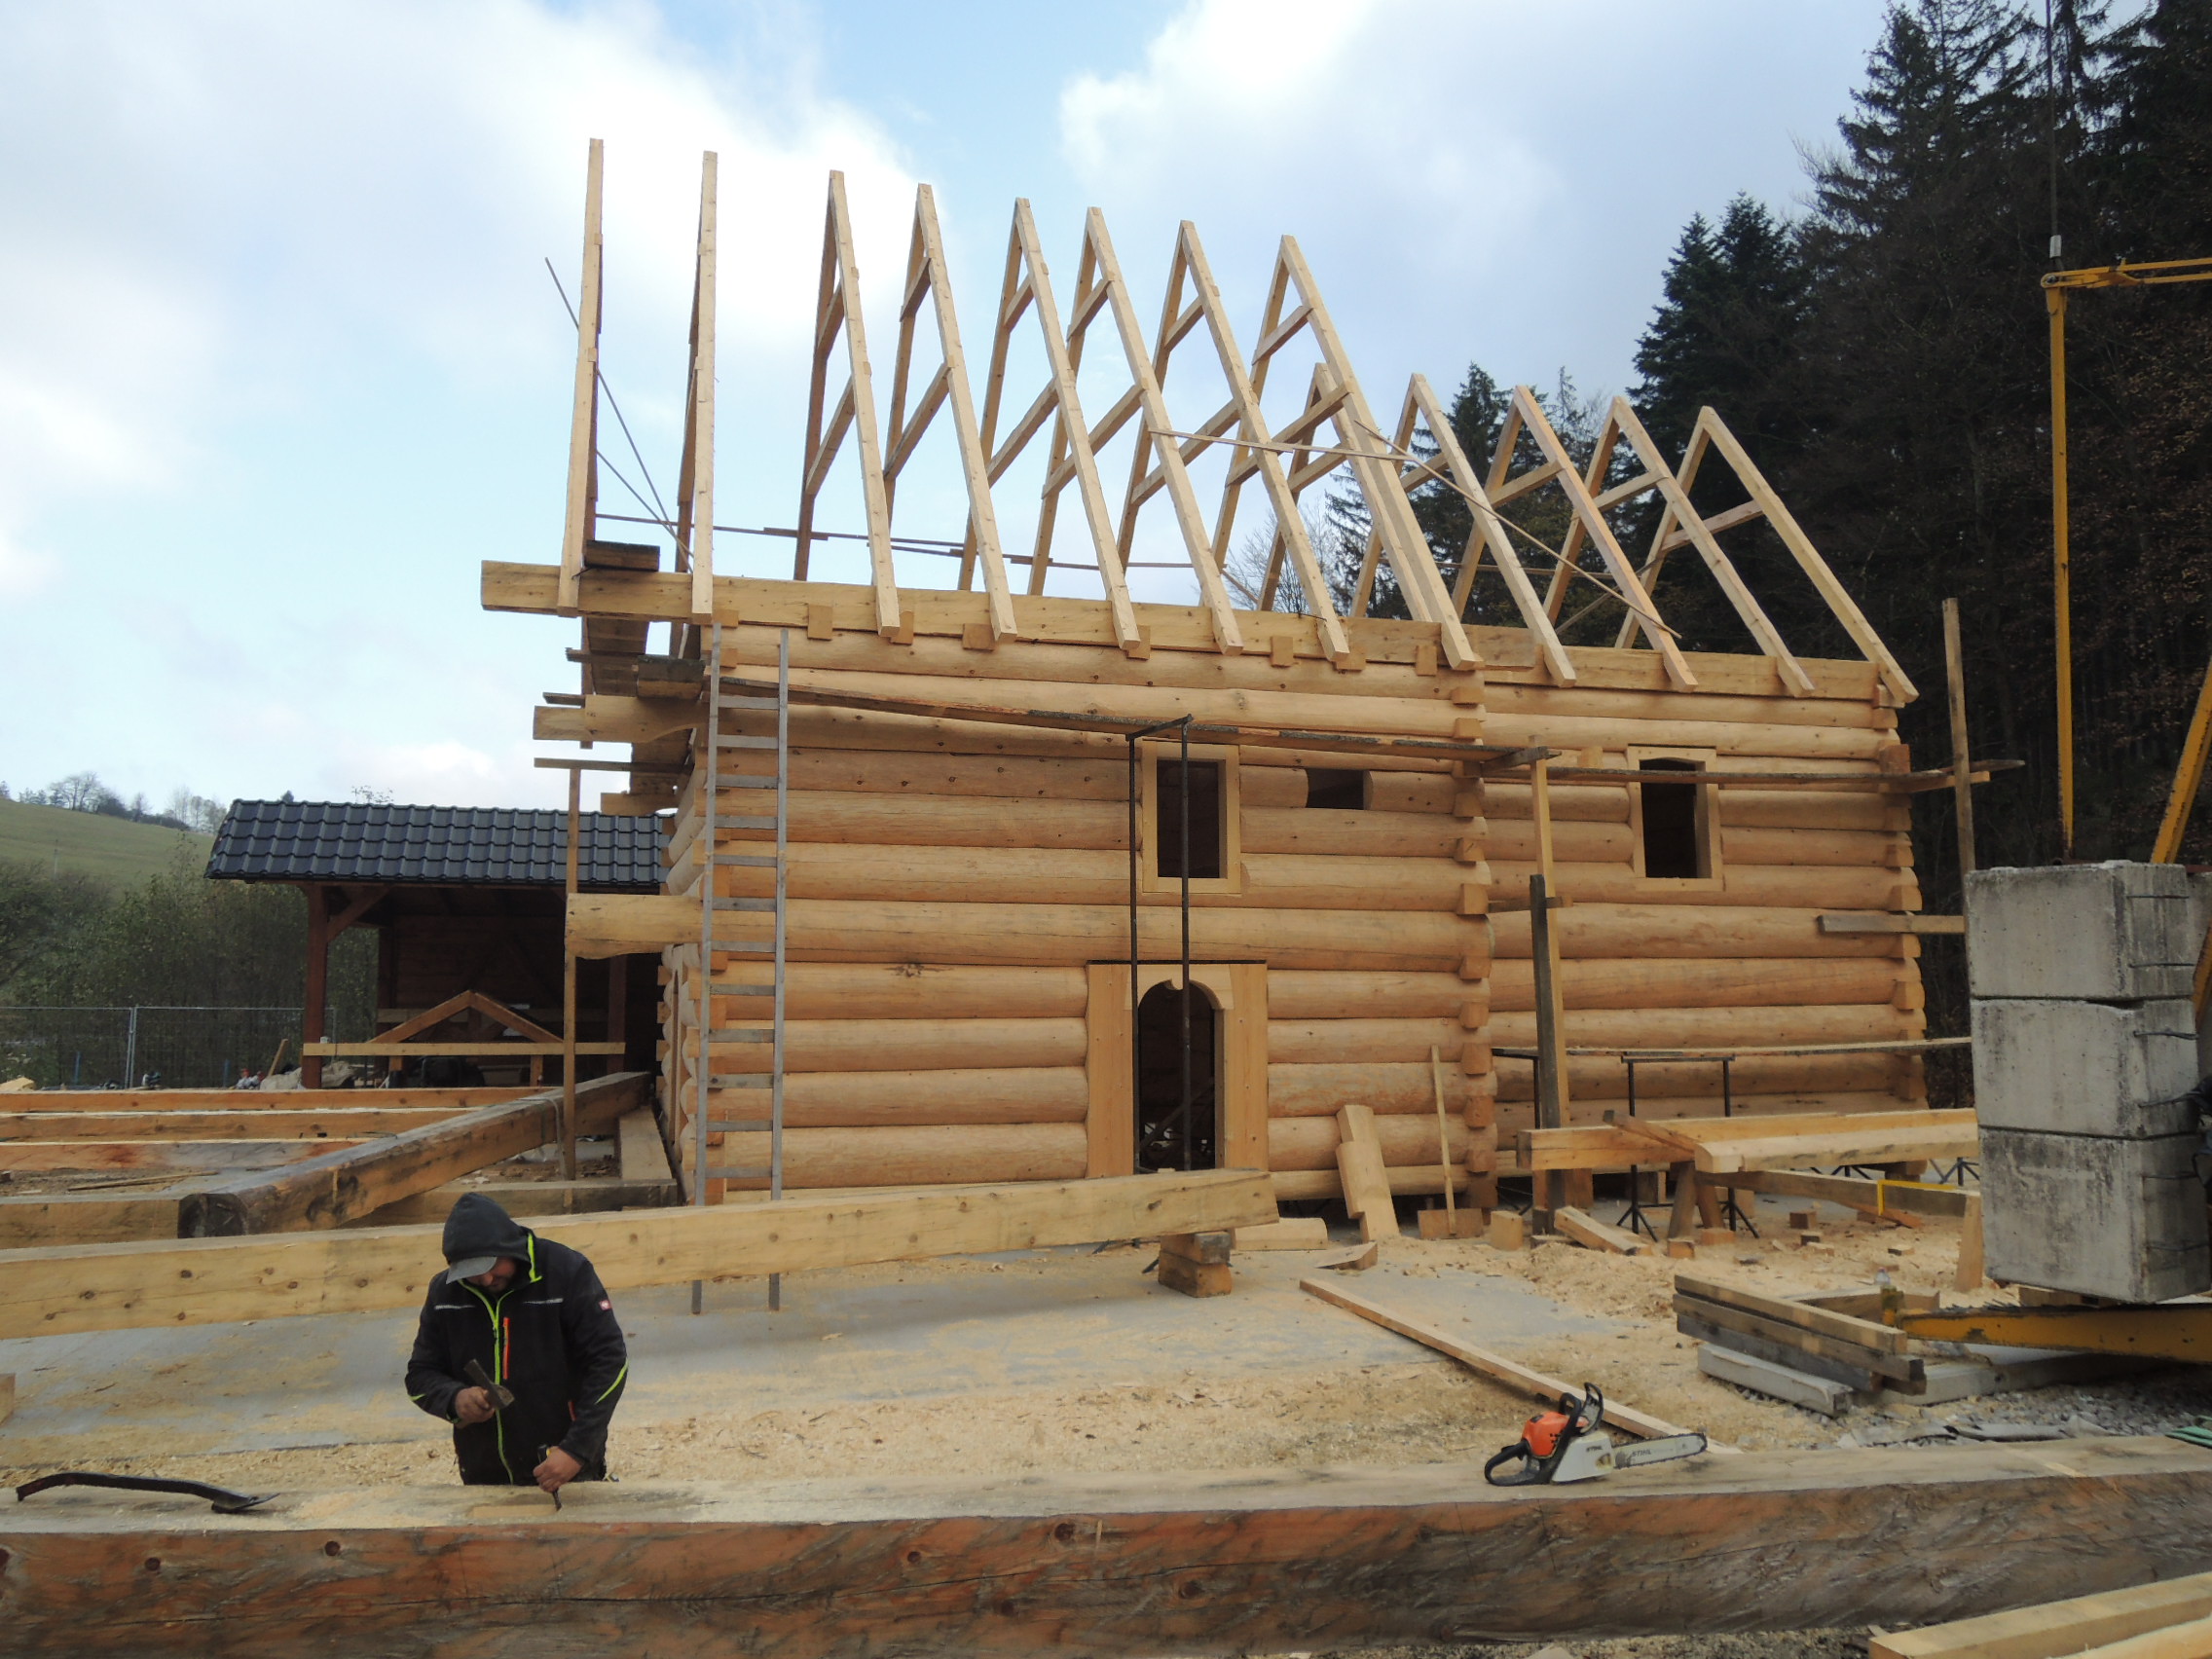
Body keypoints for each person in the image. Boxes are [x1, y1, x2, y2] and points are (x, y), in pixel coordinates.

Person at [404, 1193, 628, 1493]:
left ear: (511, 1248)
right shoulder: (445, 1294)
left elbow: (609, 1364)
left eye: (491, 1266)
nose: (484, 1279)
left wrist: (578, 1449)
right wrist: (454, 1400)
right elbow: (420, 1374)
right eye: (471, 1273)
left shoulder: (567, 1274)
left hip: (562, 1461)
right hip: (483, 1469)